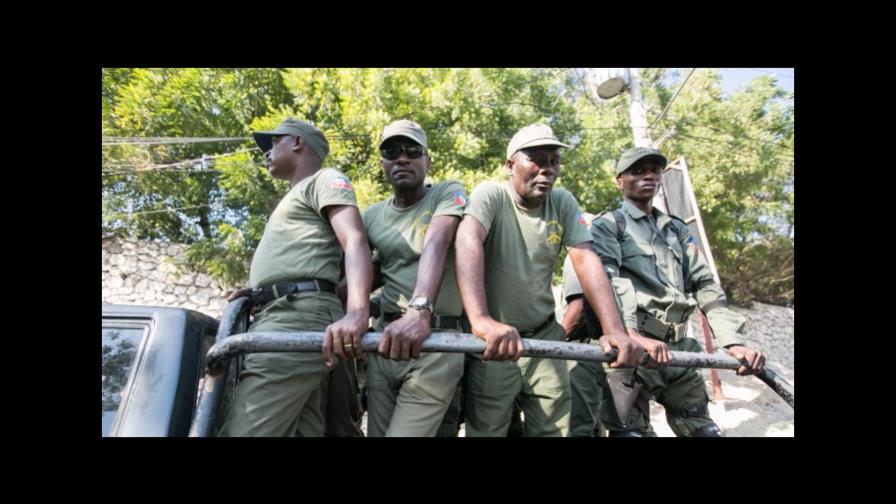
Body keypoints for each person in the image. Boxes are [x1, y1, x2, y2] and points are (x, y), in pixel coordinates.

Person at [453, 123, 643, 437]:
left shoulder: (563, 202)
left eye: (554, 161)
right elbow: (467, 240)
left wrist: (614, 330)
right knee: (488, 429)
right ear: (510, 164)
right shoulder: (492, 195)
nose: (547, 169)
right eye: (537, 159)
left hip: (544, 337)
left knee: (554, 430)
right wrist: (481, 320)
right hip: (495, 343)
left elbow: (585, 258)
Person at [591, 146, 766, 437]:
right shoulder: (609, 226)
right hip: (634, 351)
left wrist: (732, 342)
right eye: (637, 170)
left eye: (654, 169)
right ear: (619, 181)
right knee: (628, 433)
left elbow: (705, 286)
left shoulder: (676, 230)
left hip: (680, 350)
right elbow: (608, 282)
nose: (648, 175)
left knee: (704, 430)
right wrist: (630, 335)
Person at [217, 118, 372, 437]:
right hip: (283, 310)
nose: (267, 152)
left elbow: (355, 241)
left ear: (298, 142)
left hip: (297, 316)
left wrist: (357, 313)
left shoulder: (325, 180)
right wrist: (261, 289)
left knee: (244, 431)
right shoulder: (293, 199)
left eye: (274, 142)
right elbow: (308, 257)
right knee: (305, 430)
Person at [360, 119, 469, 436]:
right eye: (391, 151)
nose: (402, 158)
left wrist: (419, 310)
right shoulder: (373, 215)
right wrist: (266, 293)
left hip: (435, 341)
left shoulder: (447, 193)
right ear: (382, 162)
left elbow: (437, 241)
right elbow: (361, 273)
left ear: (427, 160)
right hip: (384, 342)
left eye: (412, 150)